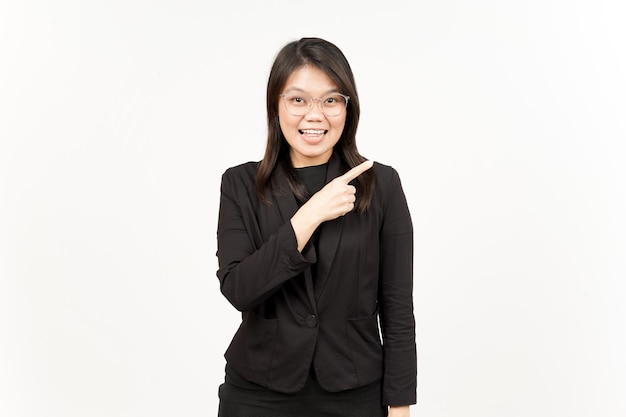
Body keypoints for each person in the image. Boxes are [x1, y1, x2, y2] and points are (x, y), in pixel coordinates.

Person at [215, 37, 417, 417]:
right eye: (298, 100)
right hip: (258, 393)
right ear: (276, 106)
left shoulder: (383, 185)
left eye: (330, 100)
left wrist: (400, 404)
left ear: (347, 107)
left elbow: (397, 307)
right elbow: (239, 289)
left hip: (355, 390)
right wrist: (307, 218)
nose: (314, 115)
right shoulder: (240, 184)